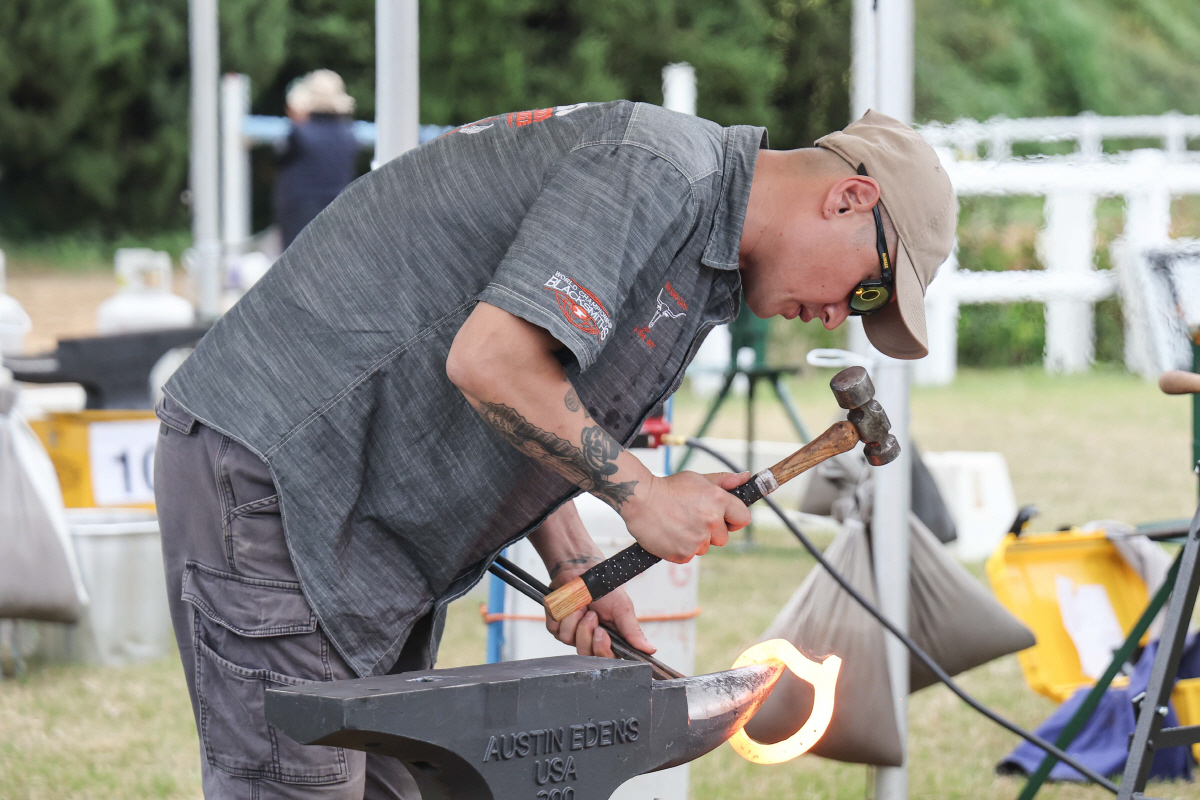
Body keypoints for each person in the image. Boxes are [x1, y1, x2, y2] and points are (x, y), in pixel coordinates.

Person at [154, 102, 955, 799]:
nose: (841, 315)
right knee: (301, 786)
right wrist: (641, 494)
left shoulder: (702, 247)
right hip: (284, 475)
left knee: (384, 784)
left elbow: (538, 386)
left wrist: (572, 557)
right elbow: (490, 360)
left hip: (365, 503)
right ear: (851, 197)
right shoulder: (657, 170)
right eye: (870, 290)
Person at [274, 70, 360, 250]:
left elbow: (279, 160)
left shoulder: (299, 133)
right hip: (338, 209)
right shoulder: (349, 135)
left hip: (298, 211)